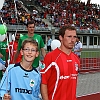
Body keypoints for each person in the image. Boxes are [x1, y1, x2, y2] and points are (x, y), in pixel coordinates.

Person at [40, 25, 80, 100]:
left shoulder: (76, 59)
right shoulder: (51, 57)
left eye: (74, 37)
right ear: (61, 38)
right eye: (69, 36)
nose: (72, 40)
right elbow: (43, 82)